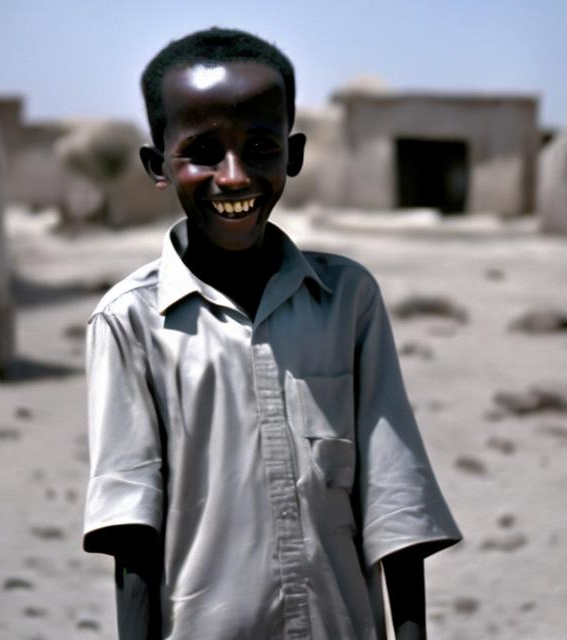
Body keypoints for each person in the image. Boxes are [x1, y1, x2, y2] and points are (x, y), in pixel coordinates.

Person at [83, 27, 462, 640]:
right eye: (203, 151)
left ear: (294, 153)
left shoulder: (348, 301)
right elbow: (131, 526)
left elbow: (396, 500)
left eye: (259, 146)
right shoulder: (129, 322)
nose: (233, 177)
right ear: (158, 165)